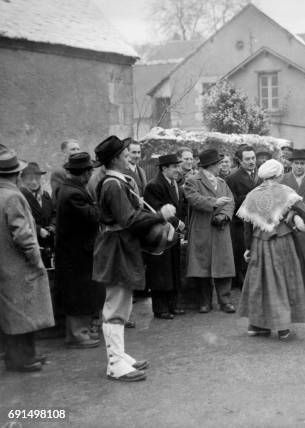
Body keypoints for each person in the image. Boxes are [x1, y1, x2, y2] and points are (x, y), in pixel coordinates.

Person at [93, 135, 175, 382]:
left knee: (123, 301)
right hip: (116, 247)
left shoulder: (118, 182)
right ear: (116, 158)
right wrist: (159, 215)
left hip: (122, 245)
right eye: (124, 152)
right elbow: (128, 219)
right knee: (116, 304)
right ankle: (114, 363)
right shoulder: (112, 185)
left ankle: (119, 355)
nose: (128, 155)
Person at [237, 159, 305, 339]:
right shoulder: (286, 192)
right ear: (278, 175)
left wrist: (248, 247)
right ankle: (283, 328)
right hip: (282, 241)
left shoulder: (252, 194)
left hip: (259, 243)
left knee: (260, 282)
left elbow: (248, 224)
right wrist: (292, 214)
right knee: (281, 281)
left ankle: (257, 325)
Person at [0, 149, 54, 372]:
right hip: (19, 266)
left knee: (14, 313)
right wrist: (36, 260)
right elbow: (23, 235)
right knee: (25, 313)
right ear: (16, 175)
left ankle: (22, 355)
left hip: (6, 265)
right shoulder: (13, 196)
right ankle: (22, 359)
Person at [55, 152, 104, 349]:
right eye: (90, 171)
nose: (91, 174)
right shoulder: (73, 193)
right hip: (75, 254)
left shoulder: (70, 189)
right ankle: (78, 335)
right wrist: (100, 207)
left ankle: (77, 333)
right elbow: (91, 216)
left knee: (80, 292)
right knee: (77, 294)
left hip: (75, 253)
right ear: (84, 173)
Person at [184, 149, 236, 314]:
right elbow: (193, 199)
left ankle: (225, 301)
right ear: (211, 165)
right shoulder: (193, 180)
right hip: (202, 228)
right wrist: (214, 202)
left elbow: (230, 201)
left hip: (220, 228)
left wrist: (224, 216)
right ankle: (205, 302)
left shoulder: (222, 182)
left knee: (224, 265)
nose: (221, 166)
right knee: (202, 267)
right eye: (219, 163)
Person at [143, 154, 187, 319]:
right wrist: (178, 223)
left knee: (173, 269)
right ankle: (160, 308)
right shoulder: (153, 186)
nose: (177, 170)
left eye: (177, 166)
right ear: (164, 168)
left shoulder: (174, 184)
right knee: (160, 271)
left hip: (171, 235)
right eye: (174, 167)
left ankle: (172, 305)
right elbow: (157, 209)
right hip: (160, 236)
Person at [280, 149, 305, 303]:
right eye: (296, 163)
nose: (299, 167)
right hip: (287, 224)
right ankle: (289, 298)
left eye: (302, 163)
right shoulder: (282, 180)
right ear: (291, 164)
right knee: (288, 259)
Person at [226, 145, 261, 289]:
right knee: (242, 255)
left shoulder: (262, 175)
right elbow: (231, 202)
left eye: (253, 158)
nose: (252, 161)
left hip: (259, 222)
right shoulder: (232, 178)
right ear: (240, 161)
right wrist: (251, 196)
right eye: (247, 159)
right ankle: (243, 285)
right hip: (240, 224)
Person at [19, 162, 55, 268]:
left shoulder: (45, 195)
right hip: (33, 245)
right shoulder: (20, 197)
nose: (34, 182)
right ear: (23, 180)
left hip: (48, 244)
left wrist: (53, 226)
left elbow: (54, 214)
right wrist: (39, 230)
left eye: (37, 178)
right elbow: (21, 221)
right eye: (30, 179)